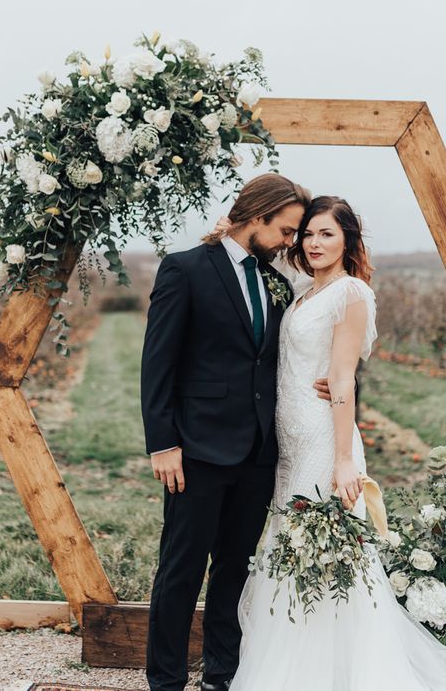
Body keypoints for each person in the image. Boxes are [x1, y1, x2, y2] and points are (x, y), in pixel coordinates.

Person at [222, 195, 446, 690]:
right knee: (291, 549)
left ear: (348, 239)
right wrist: (230, 228)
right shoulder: (305, 289)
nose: (313, 242)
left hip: (326, 443)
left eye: (327, 233)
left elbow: (343, 380)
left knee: (324, 558)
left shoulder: (350, 294)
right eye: (307, 233)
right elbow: (264, 254)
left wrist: (345, 461)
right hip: (289, 443)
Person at [141, 173, 325, 691]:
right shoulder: (185, 269)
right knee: (180, 570)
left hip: (258, 453)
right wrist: (163, 442)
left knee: (233, 572)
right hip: (194, 450)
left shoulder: (276, 281)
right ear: (256, 217)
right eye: (286, 231)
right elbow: (158, 364)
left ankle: (220, 677)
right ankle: (166, 681)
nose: (291, 243)